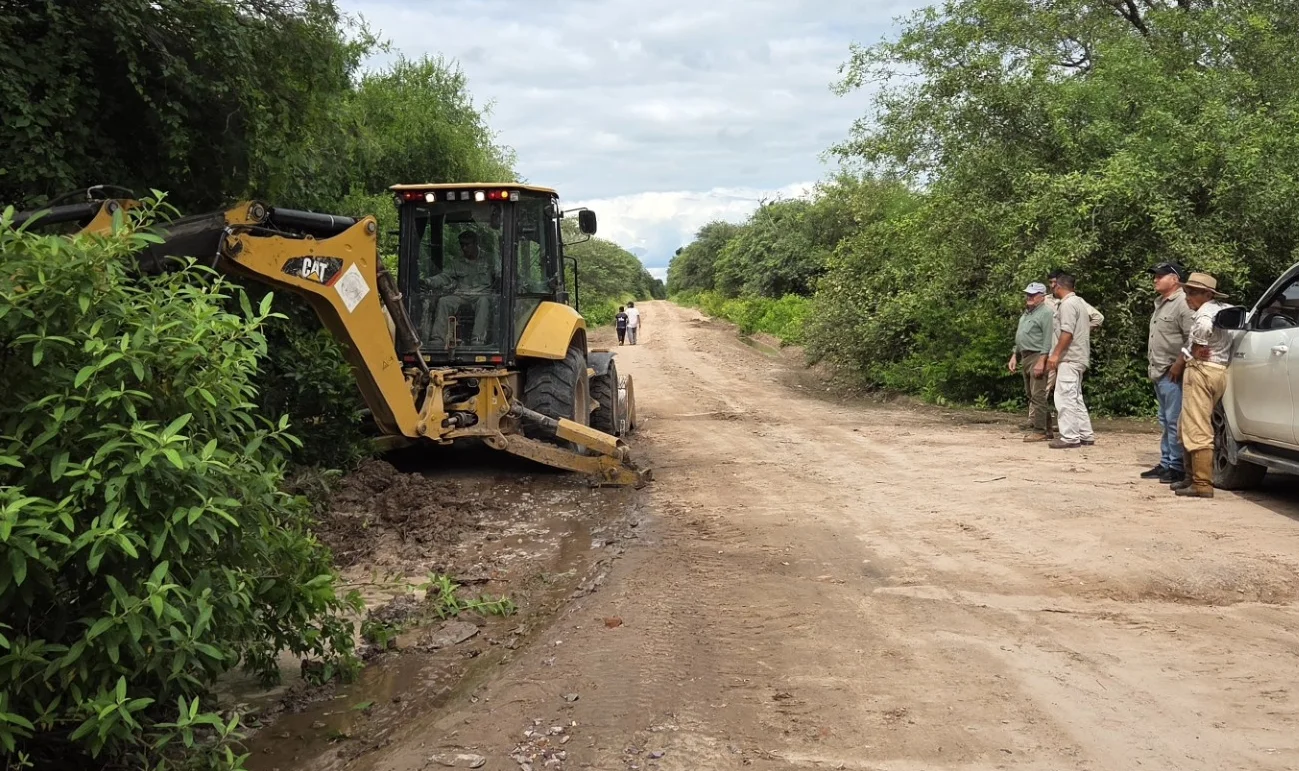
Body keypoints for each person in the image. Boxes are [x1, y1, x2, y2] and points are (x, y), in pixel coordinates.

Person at [1174, 272, 1231, 498]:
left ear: (1207, 294)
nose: (1188, 296)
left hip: (1201, 370)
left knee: (1197, 426)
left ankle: (1201, 482)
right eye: (1187, 291)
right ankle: (1191, 477)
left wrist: (1196, 349)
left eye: (1193, 292)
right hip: (1217, 370)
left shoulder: (1205, 315)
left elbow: (1203, 331)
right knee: (1186, 424)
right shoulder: (1225, 309)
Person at [1143, 262, 1194, 484]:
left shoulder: (1183, 303)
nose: (1155, 279)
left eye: (1160, 276)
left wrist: (1180, 363)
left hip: (1172, 371)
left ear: (1175, 279)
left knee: (1174, 421)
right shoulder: (1162, 303)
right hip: (1159, 370)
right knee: (1165, 419)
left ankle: (1177, 466)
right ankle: (1166, 462)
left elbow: (1193, 338)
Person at [1044, 269, 1104, 438]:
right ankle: (1085, 434)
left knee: (1064, 397)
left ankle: (1069, 437)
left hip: (1069, 357)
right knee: (1075, 397)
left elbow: (1067, 333)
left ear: (1060, 287)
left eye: (1055, 285)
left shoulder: (1068, 304)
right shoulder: (1078, 303)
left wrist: (1055, 355)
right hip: (1078, 357)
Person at [424, 230, 500, 348]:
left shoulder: (489, 260)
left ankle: (478, 339)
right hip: (462, 295)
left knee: (484, 302)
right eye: (462, 245)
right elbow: (445, 277)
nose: (464, 248)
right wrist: (428, 281)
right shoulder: (457, 262)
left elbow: (500, 275)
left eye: (467, 244)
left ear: (476, 244)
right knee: (444, 301)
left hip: (482, 294)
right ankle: (438, 338)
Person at [1008, 282, 1054, 442]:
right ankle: (1047, 428)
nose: (1029, 297)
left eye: (1033, 294)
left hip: (1037, 356)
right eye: (1028, 294)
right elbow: (1021, 336)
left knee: (1038, 394)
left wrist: (1042, 361)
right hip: (1025, 356)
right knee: (1031, 394)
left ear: (1042, 296)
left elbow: (1048, 339)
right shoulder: (1027, 313)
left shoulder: (1046, 313)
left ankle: (1039, 430)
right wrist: (1015, 355)